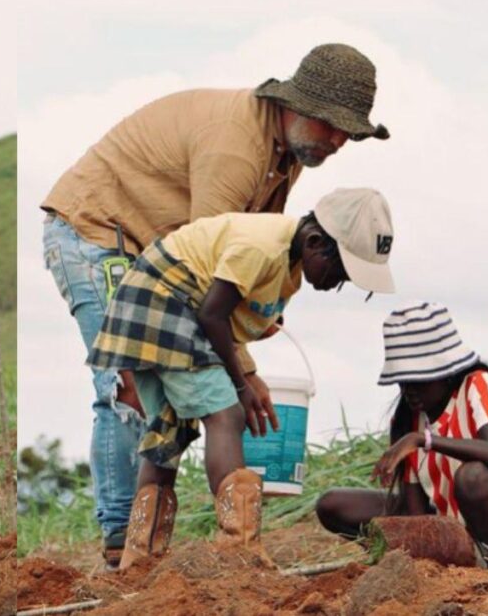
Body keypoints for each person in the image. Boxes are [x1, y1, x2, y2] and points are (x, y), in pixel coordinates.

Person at [41, 43, 390, 566]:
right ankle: (121, 545)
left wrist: (255, 328)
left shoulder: (285, 155)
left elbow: (237, 269)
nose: (339, 141)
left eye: (348, 132)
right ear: (297, 108)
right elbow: (210, 278)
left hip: (162, 267)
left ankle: (140, 550)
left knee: (171, 416)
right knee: (126, 391)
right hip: (101, 237)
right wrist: (245, 375)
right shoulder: (236, 149)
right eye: (331, 126)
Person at [86, 188, 395, 568]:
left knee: (170, 428)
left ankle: (141, 557)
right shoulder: (262, 247)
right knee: (226, 416)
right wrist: (239, 384)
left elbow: (225, 319)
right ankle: (240, 550)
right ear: (315, 242)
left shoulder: (287, 262)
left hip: (156, 303)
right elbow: (213, 315)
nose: (337, 284)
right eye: (340, 272)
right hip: (163, 300)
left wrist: (247, 374)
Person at [317, 302, 488, 572]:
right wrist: (416, 546)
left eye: (418, 380)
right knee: (332, 503)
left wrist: (424, 440)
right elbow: (417, 512)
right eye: (403, 381)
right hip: (454, 534)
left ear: (447, 371)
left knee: (471, 477)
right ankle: (440, 560)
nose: (408, 391)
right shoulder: (410, 418)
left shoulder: (478, 384)